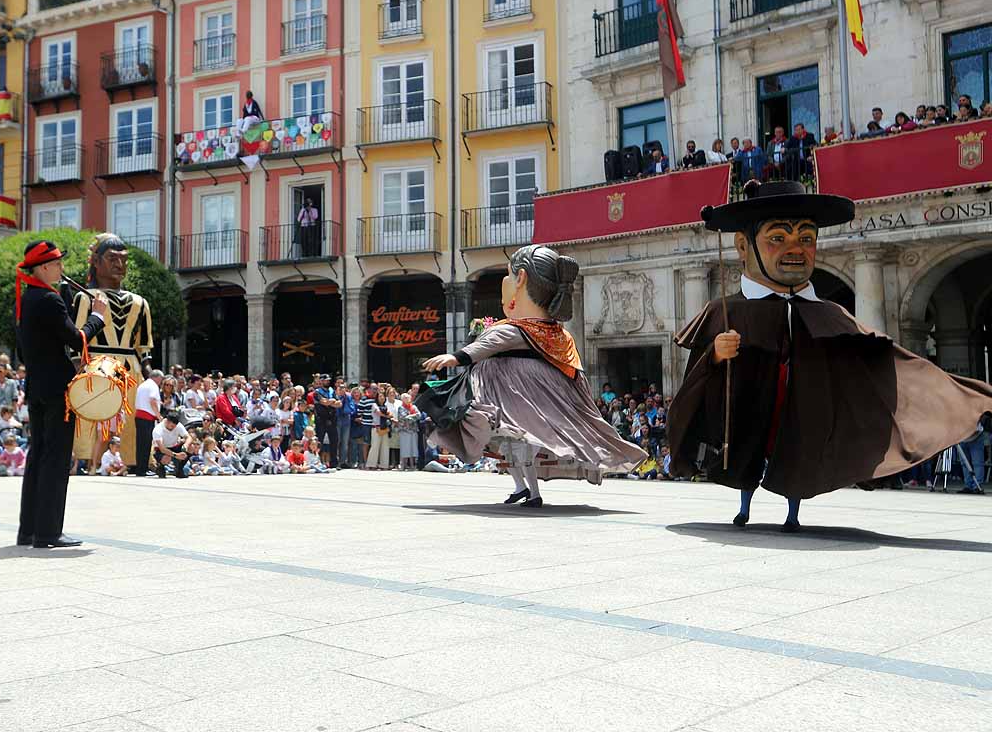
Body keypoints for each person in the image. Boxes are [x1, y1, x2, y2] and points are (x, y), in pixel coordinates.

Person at [667, 180, 992, 530]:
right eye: (778, 238)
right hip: (750, 406)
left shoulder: (829, 312)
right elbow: (695, 381)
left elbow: (887, 363)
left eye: (806, 238)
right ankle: (744, 507)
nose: (796, 248)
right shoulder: (724, 311)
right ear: (744, 247)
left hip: (802, 407)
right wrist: (715, 353)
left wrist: (959, 399)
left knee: (797, 452)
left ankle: (793, 514)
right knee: (748, 449)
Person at [421, 245, 646, 506]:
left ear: (521, 279)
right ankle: (521, 488)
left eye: (508, 275)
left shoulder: (516, 329)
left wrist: (456, 357)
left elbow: (484, 347)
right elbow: (576, 376)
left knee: (518, 450)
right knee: (511, 450)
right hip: (525, 410)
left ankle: (533, 493)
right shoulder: (560, 336)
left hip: (516, 408)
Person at [14, 240, 107, 548]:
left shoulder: (30, 298)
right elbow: (75, 337)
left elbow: (29, 346)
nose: (61, 269)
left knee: (38, 456)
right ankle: (48, 532)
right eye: (56, 264)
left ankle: (28, 530)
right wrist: (98, 318)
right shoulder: (48, 301)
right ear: (43, 268)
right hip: (57, 389)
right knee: (55, 460)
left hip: (38, 386)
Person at [71, 234, 154, 473]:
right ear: (96, 262)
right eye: (112, 259)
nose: (120, 265)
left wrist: (151, 378)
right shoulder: (84, 298)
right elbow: (77, 340)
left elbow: (143, 348)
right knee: (91, 416)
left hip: (131, 369)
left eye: (124, 260)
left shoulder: (140, 302)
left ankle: (136, 459)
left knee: (131, 421)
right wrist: (77, 369)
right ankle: (86, 460)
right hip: (96, 364)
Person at [133, 369, 163, 476]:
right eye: (161, 379)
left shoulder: (143, 385)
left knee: (141, 444)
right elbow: (152, 401)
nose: (161, 382)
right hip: (147, 417)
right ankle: (143, 469)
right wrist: (159, 416)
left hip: (140, 416)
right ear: (157, 377)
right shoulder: (153, 385)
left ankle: (140, 469)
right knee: (145, 445)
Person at [152, 411, 189, 478]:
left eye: (175, 426)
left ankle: (179, 469)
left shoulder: (178, 425)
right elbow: (162, 449)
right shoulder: (158, 430)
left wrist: (185, 446)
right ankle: (160, 467)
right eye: (172, 426)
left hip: (174, 446)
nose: (173, 428)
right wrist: (176, 455)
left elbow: (189, 437)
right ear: (167, 421)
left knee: (190, 447)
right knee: (167, 457)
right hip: (161, 449)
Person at [396, 393, 421, 470]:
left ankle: (412, 465)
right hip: (404, 430)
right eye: (406, 398)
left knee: (413, 448)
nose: (408, 399)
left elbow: (419, 415)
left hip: (413, 430)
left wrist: (410, 416)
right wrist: (413, 416)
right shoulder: (401, 408)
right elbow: (403, 418)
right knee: (405, 448)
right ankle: (403, 465)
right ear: (402, 399)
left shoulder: (413, 407)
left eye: (408, 398)